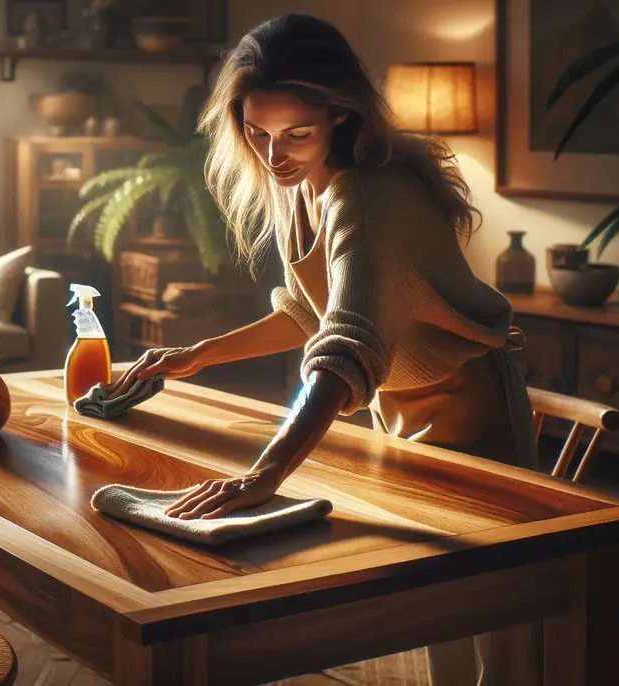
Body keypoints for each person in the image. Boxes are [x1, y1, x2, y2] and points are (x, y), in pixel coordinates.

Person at [106, 14, 540, 686]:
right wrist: (196, 354)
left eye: (295, 134)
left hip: (473, 416)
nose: (274, 154)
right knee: (436, 612)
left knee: (504, 625)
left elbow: (343, 350)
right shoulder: (296, 182)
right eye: (257, 133)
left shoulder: (366, 200)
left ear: (341, 116)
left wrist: (264, 476)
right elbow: (311, 314)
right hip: (396, 418)